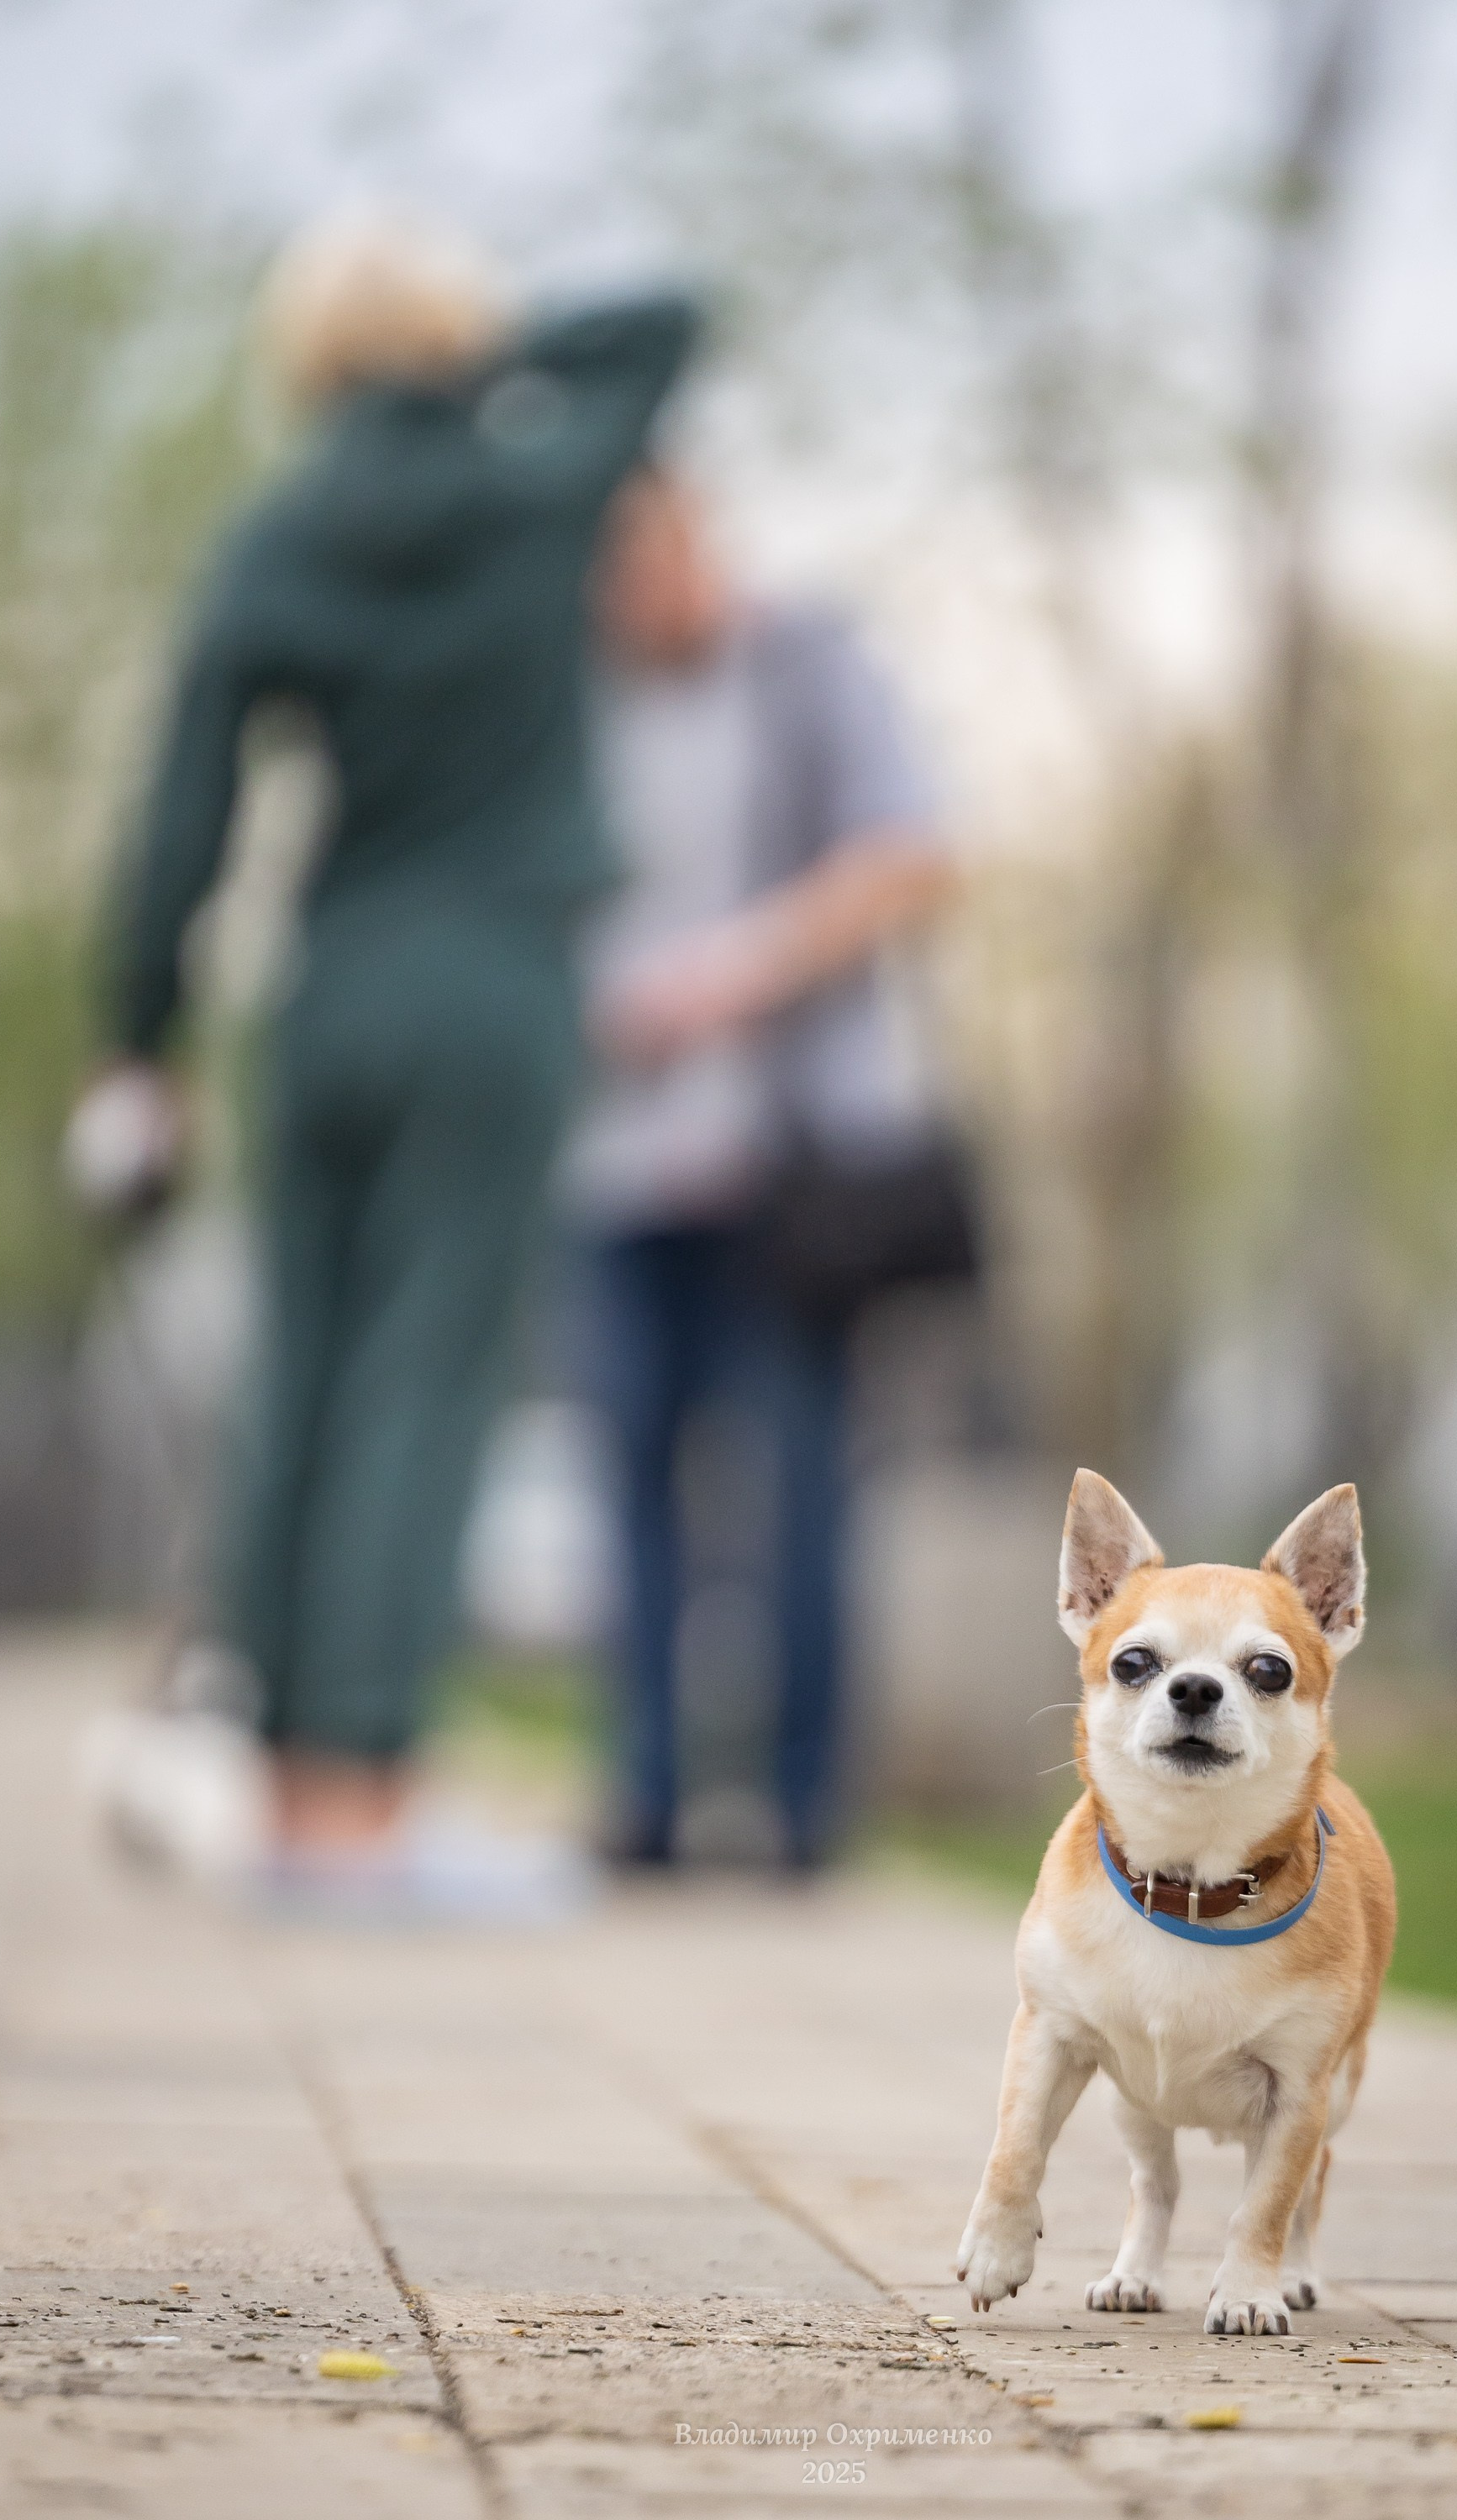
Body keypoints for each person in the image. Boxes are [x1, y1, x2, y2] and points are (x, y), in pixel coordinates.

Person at [71, 212, 697, 1911]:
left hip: (326, 988)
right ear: (449, 339)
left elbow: (183, 813)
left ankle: (285, 1798)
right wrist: (485, 362)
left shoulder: (277, 535)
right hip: (492, 982)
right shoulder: (532, 482)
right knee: (429, 1375)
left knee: (307, 1378)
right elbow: (662, 315)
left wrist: (137, 1042)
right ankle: (361, 1815)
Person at [567, 467, 954, 1870]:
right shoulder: (571, 699)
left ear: (689, 536)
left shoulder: (804, 662)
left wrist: (738, 971)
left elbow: (912, 853)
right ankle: (649, 1798)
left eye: (641, 560)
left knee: (796, 1486)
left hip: (785, 1164)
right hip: (607, 1162)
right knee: (627, 1484)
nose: (625, 597)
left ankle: (800, 1813)